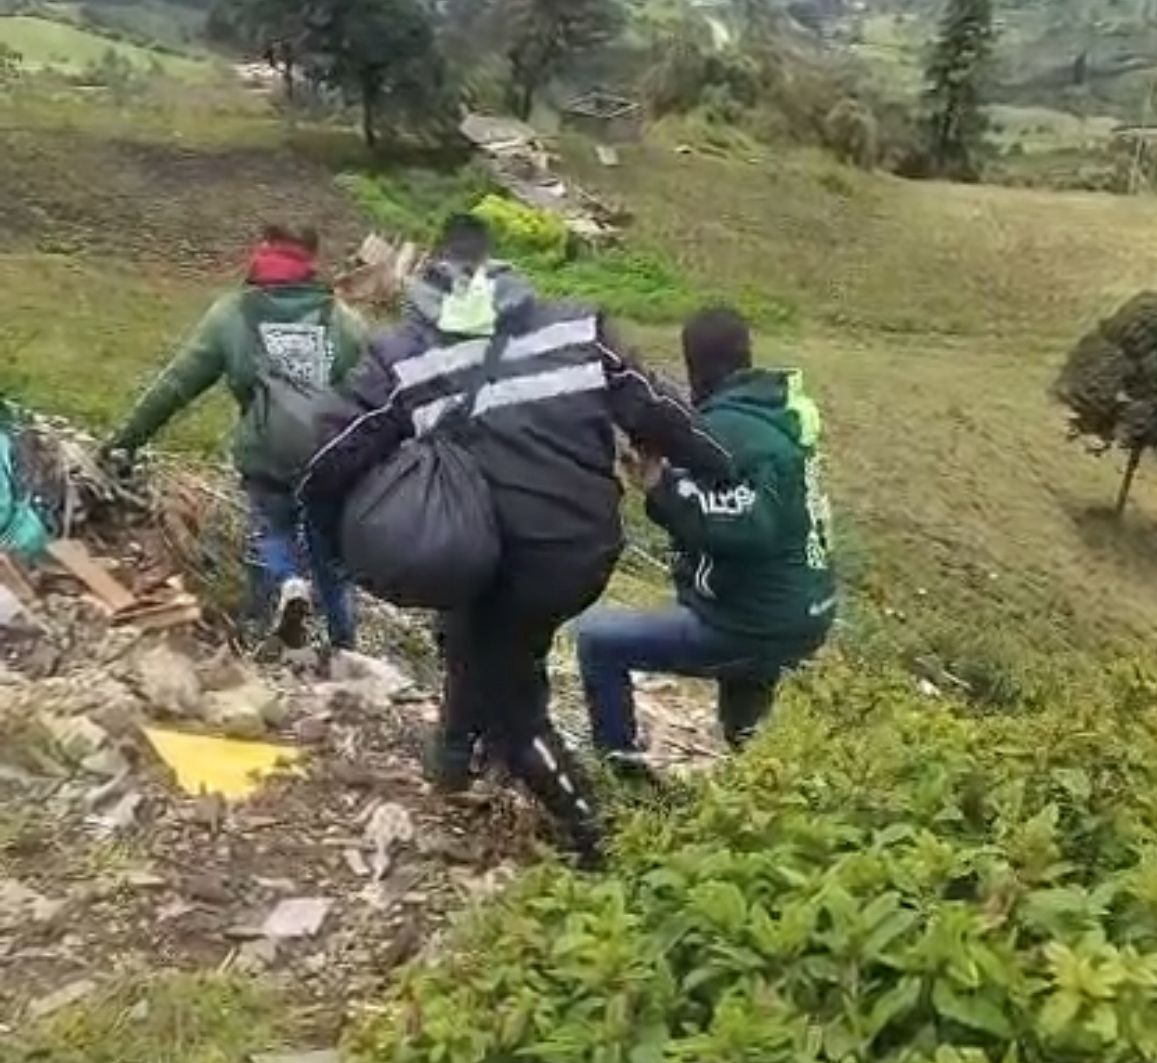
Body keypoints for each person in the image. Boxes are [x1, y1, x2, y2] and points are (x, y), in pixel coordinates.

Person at [301, 213, 732, 863]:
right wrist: (722, 463)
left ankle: (594, 836)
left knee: (512, 702)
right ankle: (453, 760)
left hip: (501, 566)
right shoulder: (578, 328)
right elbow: (658, 409)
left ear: (429, 277)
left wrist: (333, 532)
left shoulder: (405, 357)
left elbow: (330, 453)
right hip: (587, 548)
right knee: (475, 640)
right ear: (500, 270)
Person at [577, 307, 837, 768]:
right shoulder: (773, 415)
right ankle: (757, 772)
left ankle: (620, 770)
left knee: (598, 638)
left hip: (751, 624)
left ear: (695, 366)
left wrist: (660, 488)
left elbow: (747, 527)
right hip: (801, 611)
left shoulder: (728, 432)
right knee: (744, 729)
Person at [106, 225, 368, 649]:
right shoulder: (343, 321)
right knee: (330, 557)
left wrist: (125, 441)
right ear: (312, 261)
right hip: (330, 455)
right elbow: (370, 397)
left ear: (263, 250)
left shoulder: (233, 314)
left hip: (267, 454)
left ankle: (266, 622)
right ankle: (343, 647)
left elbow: (177, 384)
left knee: (271, 532)